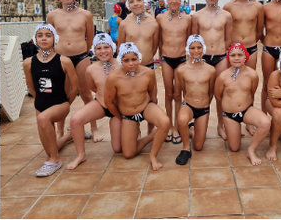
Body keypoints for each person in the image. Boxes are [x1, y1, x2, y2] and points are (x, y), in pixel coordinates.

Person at [103, 42, 170, 170]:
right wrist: (120, 118)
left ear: (139, 57)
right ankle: (151, 136)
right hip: (128, 115)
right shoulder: (113, 78)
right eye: (126, 60)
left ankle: (153, 156)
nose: (131, 63)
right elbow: (109, 102)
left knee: (164, 121)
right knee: (128, 154)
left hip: (145, 107)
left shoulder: (148, 73)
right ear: (120, 60)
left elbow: (152, 96)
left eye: (134, 59)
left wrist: (152, 122)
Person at [22, 24, 77, 176]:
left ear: (55, 39)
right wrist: (40, 101)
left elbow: (75, 87)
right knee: (49, 148)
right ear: (35, 39)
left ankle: (55, 160)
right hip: (40, 104)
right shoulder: (28, 63)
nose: (44, 38)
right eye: (40, 35)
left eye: (48, 35)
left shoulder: (64, 61)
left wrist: (67, 103)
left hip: (60, 103)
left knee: (43, 119)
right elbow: (31, 87)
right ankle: (69, 136)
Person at [47, 0, 96, 137]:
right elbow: (50, 37)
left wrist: (83, 51)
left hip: (81, 57)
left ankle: (94, 129)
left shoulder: (85, 14)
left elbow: (90, 37)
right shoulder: (52, 15)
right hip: (61, 59)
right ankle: (60, 131)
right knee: (63, 94)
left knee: (86, 93)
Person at [67, 33, 121, 170]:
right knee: (75, 120)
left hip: (119, 110)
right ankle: (80, 155)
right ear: (94, 51)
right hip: (101, 104)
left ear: (113, 47)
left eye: (106, 47)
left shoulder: (122, 64)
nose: (103, 51)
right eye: (99, 48)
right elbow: (93, 87)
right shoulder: (90, 69)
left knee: (118, 148)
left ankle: (122, 127)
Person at [215, 43, 271, 165]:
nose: (236, 58)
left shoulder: (252, 74)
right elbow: (218, 96)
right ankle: (233, 127)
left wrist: (248, 115)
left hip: (246, 111)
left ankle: (251, 150)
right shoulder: (223, 76)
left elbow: (251, 93)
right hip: (230, 114)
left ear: (245, 56)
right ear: (228, 57)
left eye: (240, 55)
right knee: (234, 148)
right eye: (233, 55)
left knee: (265, 123)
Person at [191, 0, 233, 139]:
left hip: (221, 57)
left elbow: (228, 39)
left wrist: (224, 54)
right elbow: (194, 40)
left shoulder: (226, 16)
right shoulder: (197, 16)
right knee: (202, 92)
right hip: (203, 59)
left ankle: (221, 125)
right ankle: (198, 124)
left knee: (220, 93)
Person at [156, 0, 192, 144]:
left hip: (182, 60)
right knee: (168, 94)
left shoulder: (187, 19)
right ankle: (169, 125)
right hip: (167, 59)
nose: (174, 1)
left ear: (181, 0)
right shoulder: (160, 18)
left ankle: (178, 125)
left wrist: (190, 60)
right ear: (167, 0)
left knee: (179, 95)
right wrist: (160, 57)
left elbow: (190, 40)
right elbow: (159, 40)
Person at [174, 34, 216, 165]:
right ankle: (186, 148)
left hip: (203, 108)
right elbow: (181, 91)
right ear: (188, 49)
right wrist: (187, 105)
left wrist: (205, 105)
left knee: (198, 146)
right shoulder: (181, 70)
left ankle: (191, 129)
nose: (196, 51)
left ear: (204, 48)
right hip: (189, 105)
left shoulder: (211, 70)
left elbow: (210, 92)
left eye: (199, 47)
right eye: (192, 48)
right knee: (181, 119)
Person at [224, 0, 264, 71]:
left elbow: (259, 31)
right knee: (232, 81)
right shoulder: (228, 7)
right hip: (234, 48)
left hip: (251, 48)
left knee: (250, 79)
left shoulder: (258, 7)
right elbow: (224, 30)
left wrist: (250, 41)